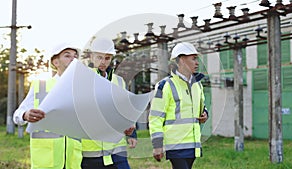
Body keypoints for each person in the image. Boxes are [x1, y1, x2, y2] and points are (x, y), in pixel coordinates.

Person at [13, 43, 82, 169]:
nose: (73, 59)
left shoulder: (80, 90)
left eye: (75, 57)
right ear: (56, 62)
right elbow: (17, 115)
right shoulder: (41, 86)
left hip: (72, 162)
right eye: (67, 56)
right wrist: (25, 115)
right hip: (46, 162)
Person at [148, 42, 209, 169]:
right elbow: (156, 117)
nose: (197, 62)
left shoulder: (197, 84)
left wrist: (205, 115)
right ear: (181, 60)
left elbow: (202, 108)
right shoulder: (165, 85)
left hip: (193, 145)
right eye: (193, 59)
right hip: (175, 145)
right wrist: (157, 145)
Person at [81, 38, 137, 169]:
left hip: (116, 149)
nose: (103, 62)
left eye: (107, 58)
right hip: (92, 153)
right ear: (91, 56)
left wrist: (131, 133)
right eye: (99, 57)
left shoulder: (119, 81)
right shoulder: (82, 80)